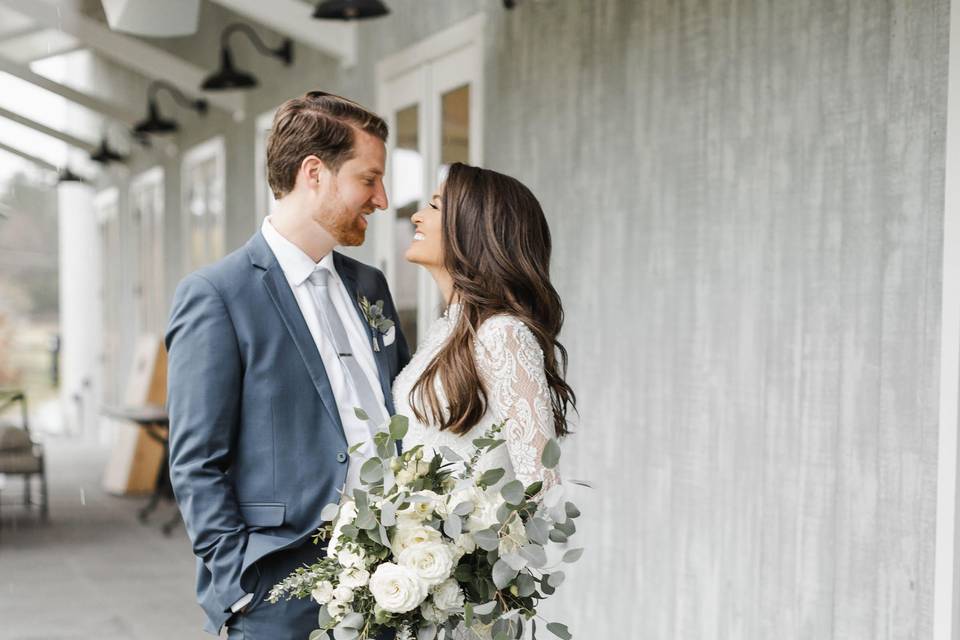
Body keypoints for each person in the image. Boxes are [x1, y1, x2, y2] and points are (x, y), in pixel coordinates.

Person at [166, 91, 409, 639]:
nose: (382, 199)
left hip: (394, 589)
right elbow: (195, 461)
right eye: (368, 180)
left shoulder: (371, 286)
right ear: (314, 173)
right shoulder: (216, 295)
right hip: (279, 596)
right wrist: (239, 587)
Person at [394, 160, 576, 518]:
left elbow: (540, 487)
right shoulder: (445, 331)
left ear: (472, 228)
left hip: (470, 563)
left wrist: (473, 556)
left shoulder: (502, 335)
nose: (417, 216)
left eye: (434, 205)